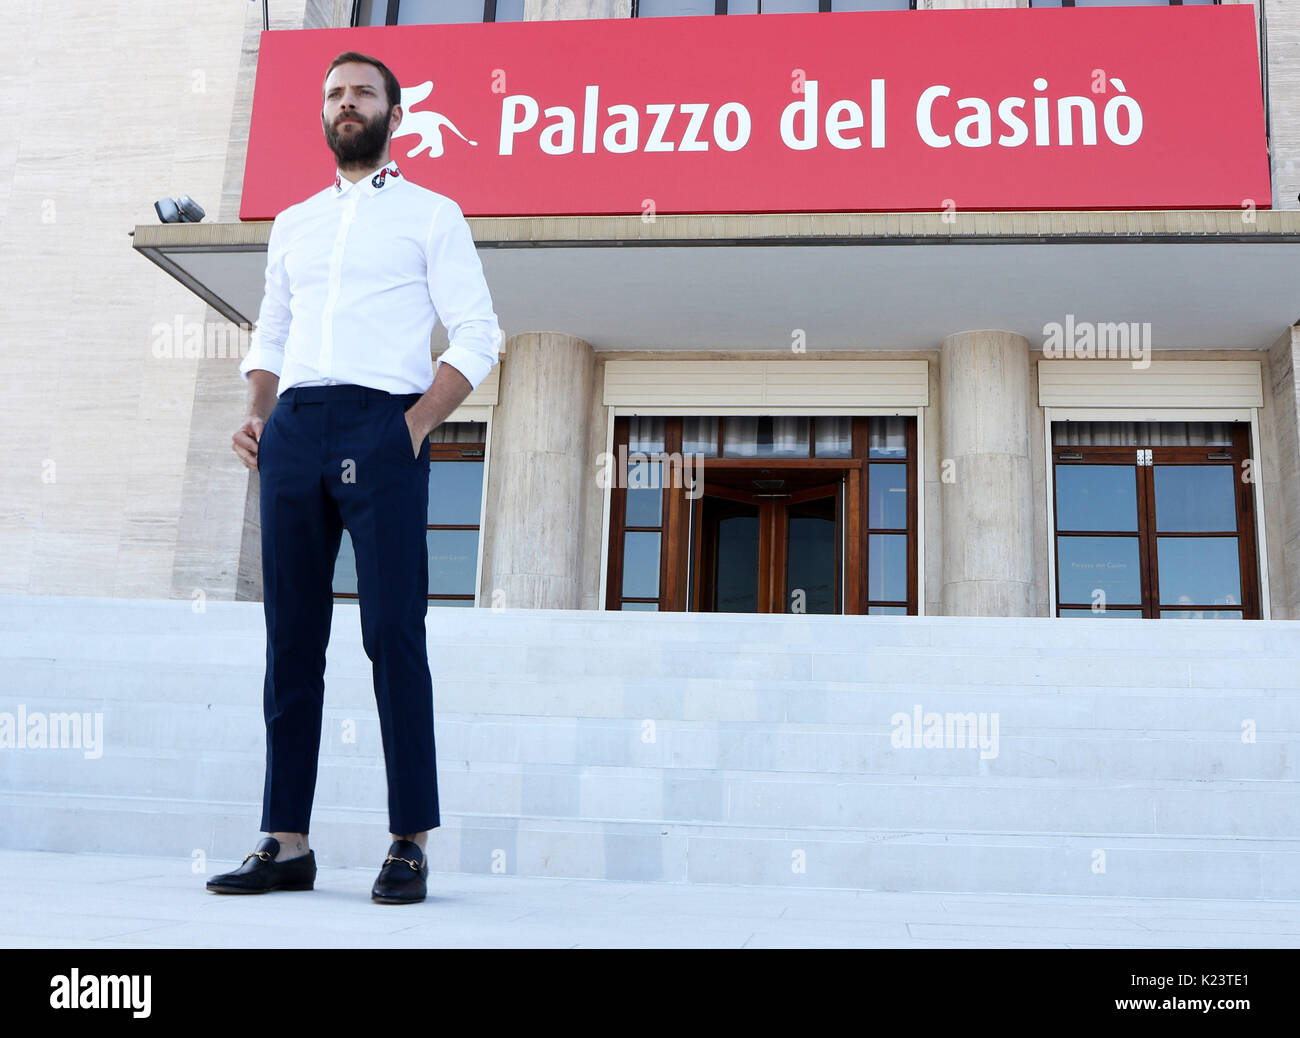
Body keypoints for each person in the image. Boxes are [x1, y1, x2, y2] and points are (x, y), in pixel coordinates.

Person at [213, 50, 501, 904]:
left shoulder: (432, 214)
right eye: (335, 94)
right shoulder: (294, 222)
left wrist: (408, 429)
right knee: (291, 641)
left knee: (391, 635)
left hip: (383, 425)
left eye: (363, 93)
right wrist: (260, 413)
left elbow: (479, 336)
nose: (347, 104)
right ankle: (286, 842)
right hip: (294, 430)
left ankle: (408, 841)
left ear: (394, 112)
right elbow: (272, 332)